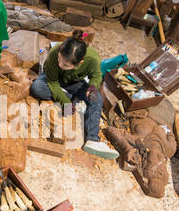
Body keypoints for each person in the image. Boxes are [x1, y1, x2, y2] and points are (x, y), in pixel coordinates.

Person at [30, 30, 120, 160]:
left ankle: (92, 139)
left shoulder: (93, 59)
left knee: (96, 99)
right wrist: (65, 101)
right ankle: (70, 97)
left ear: (80, 63)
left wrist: (92, 87)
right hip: (54, 79)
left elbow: (96, 76)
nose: (60, 65)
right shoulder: (56, 51)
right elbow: (53, 82)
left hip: (75, 82)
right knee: (36, 87)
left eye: (65, 64)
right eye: (59, 60)